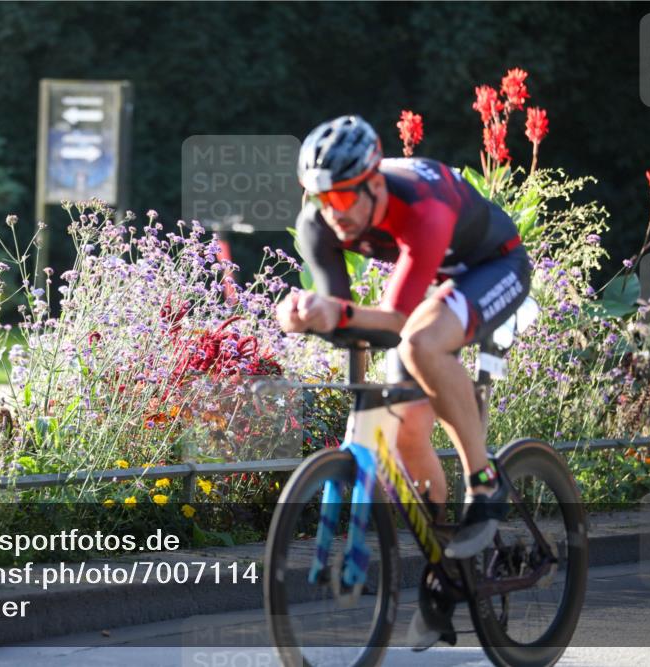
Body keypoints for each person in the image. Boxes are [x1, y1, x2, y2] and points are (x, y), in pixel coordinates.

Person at [275, 115, 532, 649]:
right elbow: (345, 317)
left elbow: (393, 321)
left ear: (373, 184)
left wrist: (334, 314)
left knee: (419, 343)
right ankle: (446, 560)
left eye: (344, 199)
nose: (333, 214)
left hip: (492, 266)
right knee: (406, 430)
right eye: (321, 199)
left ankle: (484, 479)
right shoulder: (319, 220)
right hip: (434, 282)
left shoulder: (420, 204)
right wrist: (303, 314)